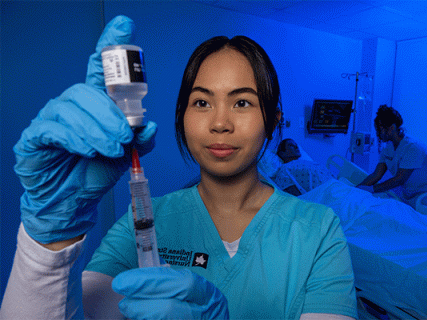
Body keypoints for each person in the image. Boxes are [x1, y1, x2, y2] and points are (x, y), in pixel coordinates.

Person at [0, 16, 357, 320]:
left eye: (242, 102)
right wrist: (48, 244)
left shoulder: (318, 231)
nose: (220, 123)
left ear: (272, 119)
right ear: (182, 116)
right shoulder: (143, 219)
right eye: (201, 102)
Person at [357, 105, 427, 208]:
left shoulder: (412, 147)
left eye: (379, 129)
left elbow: (399, 179)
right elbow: (376, 175)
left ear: (391, 128)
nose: (378, 134)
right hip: (412, 192)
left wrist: (372, 189)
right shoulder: (388, 149)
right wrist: (358, 188)